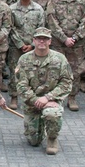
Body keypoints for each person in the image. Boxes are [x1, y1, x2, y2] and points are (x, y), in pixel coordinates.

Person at [14, 27, 73, 155]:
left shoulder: (60, 59)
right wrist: (36, 100)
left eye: (45, 39)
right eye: (39, 39)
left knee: (51, 114)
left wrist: (48, 98)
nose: (42, 41)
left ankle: (52, 138)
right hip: (32, 103)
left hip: (52, 101)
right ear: (34, 40)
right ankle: (39, 126)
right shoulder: (24, 59)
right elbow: (21, 86)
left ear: (50, 41)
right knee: (34, 141)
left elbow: (66, 83)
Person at [45, 0, 85, 112]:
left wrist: (74, 38)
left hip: (76, 44)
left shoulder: (82, 1)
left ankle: (72, 97)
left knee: (75, 71)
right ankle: (56, 97)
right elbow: (51, 20)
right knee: (56, 70)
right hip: (58, 42)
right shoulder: (54, 0)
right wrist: (64, 38)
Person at [7, 0, 46, 108]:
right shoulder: (11, 9)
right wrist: (20, 44)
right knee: (15, 72)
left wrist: (32, 45)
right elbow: (10, 27)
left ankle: (33, 98)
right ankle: (14, 96)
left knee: (34, 72)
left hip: (34, 47)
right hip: (16, 46)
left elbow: (41, 29)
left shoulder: (38, 9)